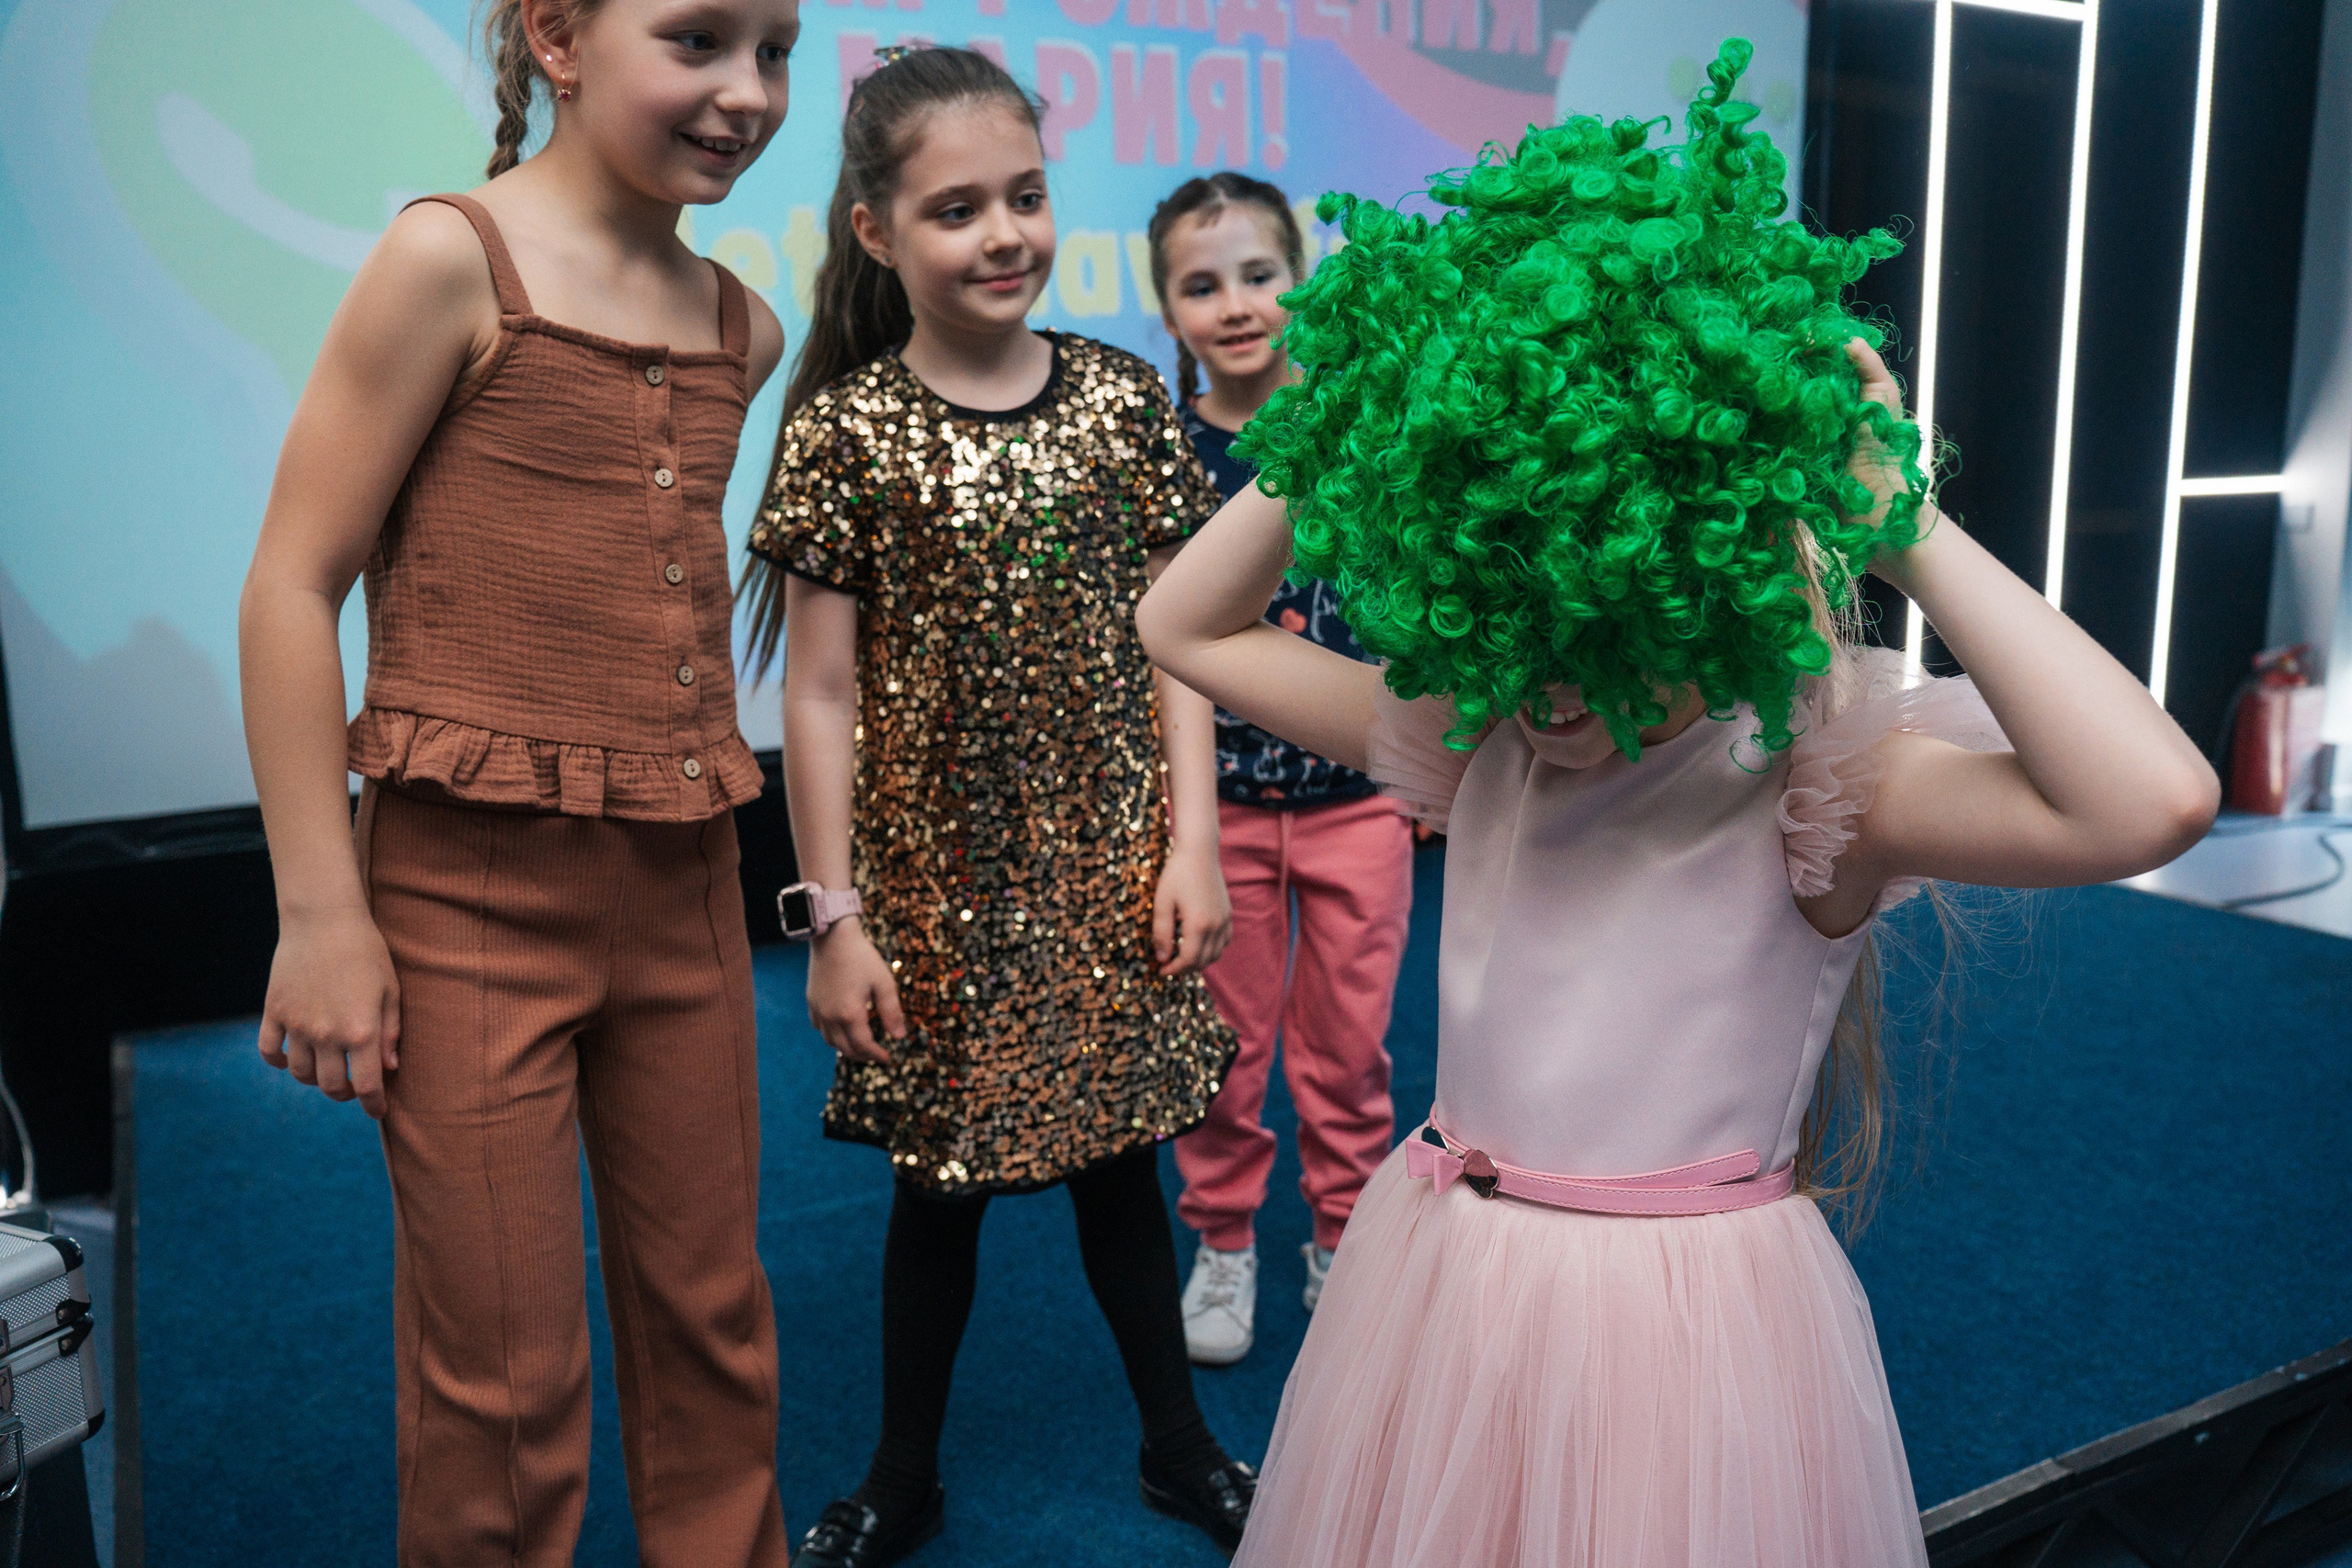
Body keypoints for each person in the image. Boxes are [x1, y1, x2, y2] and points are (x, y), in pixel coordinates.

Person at [1136, 40, 2219, 1566]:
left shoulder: (1817, 784)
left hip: (1678, 1353)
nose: (1555, 687)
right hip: (1444, 1294)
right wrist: (1354, 417)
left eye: (1614, 633)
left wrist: (1900, 524)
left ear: (1707, 572)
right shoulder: (1482, 739)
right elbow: (1182, 625)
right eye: (1519, 625)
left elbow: (2154, 802)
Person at [235, 1, 798, 1561]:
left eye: (776, 51)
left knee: (713, 1324)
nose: (747, 92)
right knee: (500, 1381)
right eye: (697, 40)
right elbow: (290, 586)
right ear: (556, 34)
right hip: (466, 902)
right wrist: (321, 914)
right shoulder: (449, 259)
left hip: (686, 891)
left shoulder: (744, 326)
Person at [742, 45, 1255, 1567]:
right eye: (956, 208)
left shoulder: (1121, 402)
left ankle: (1178, 1449)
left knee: (1120, 1167)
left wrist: (1195, 842)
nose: (1004, 234)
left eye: (1025, 196)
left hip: (1110, 876)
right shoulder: (846, 431)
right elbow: (817, 696)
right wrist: (834, 919)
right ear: (877, 232)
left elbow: (1180, 645)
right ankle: (902, 1477)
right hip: (933, 897)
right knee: (938, 1194)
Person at [1146, 174, 1412, 1366]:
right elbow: (1167, 643)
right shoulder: (1167, 447)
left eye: (1259, 275)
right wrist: (1186, 835)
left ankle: (1345, 1235)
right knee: (1226, 1046)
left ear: (1300, 283)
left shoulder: (1358, 426)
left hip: (1360, 801)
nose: (1238, 304)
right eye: (1202, 285)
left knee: (1349, 1045)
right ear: (1168, 311)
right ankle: (1223, 1239)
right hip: (1228, 810)